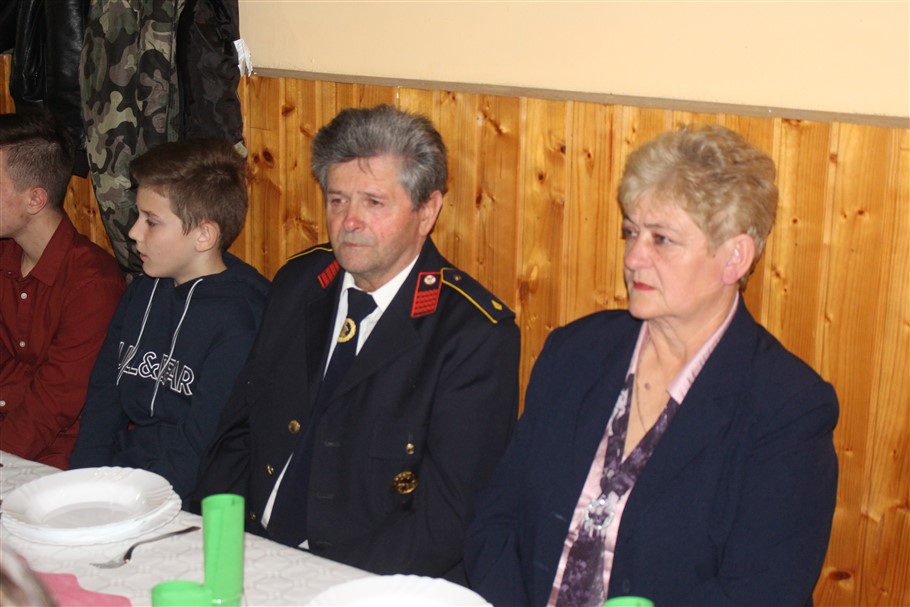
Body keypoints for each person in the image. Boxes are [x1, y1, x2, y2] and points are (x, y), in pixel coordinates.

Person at [465, 125, 839, 606]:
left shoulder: (786, 408)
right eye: (631, 232)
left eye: (662, 239)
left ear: (734, 258)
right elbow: (496, 517)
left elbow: (761, 593)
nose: (634, 257)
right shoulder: (574, 353)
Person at [192, 104, 520, 582]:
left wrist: (313, 582)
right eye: (337, 200)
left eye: (374, 202)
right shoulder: (300, 283)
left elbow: (445, 523)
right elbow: (237, 434)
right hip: (251, 553)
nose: (349, 221)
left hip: (366, 583)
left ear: (427, 211)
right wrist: (222, 545)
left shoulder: (472, 336)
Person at [69, 138, 269, 500]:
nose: (133, 232)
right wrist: (82, 486)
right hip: (131, 476)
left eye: (152, 221)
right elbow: (103, 402)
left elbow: (201, 446)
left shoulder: (240, 320)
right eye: (138, 216)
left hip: (194, 497)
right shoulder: (143, 291)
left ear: (204, 235)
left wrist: (136, 504)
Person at [0, 109, 124, 469]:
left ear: (35, 199)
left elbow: (54, 404)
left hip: (65, 461)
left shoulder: (92, 283)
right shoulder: (6, 254)